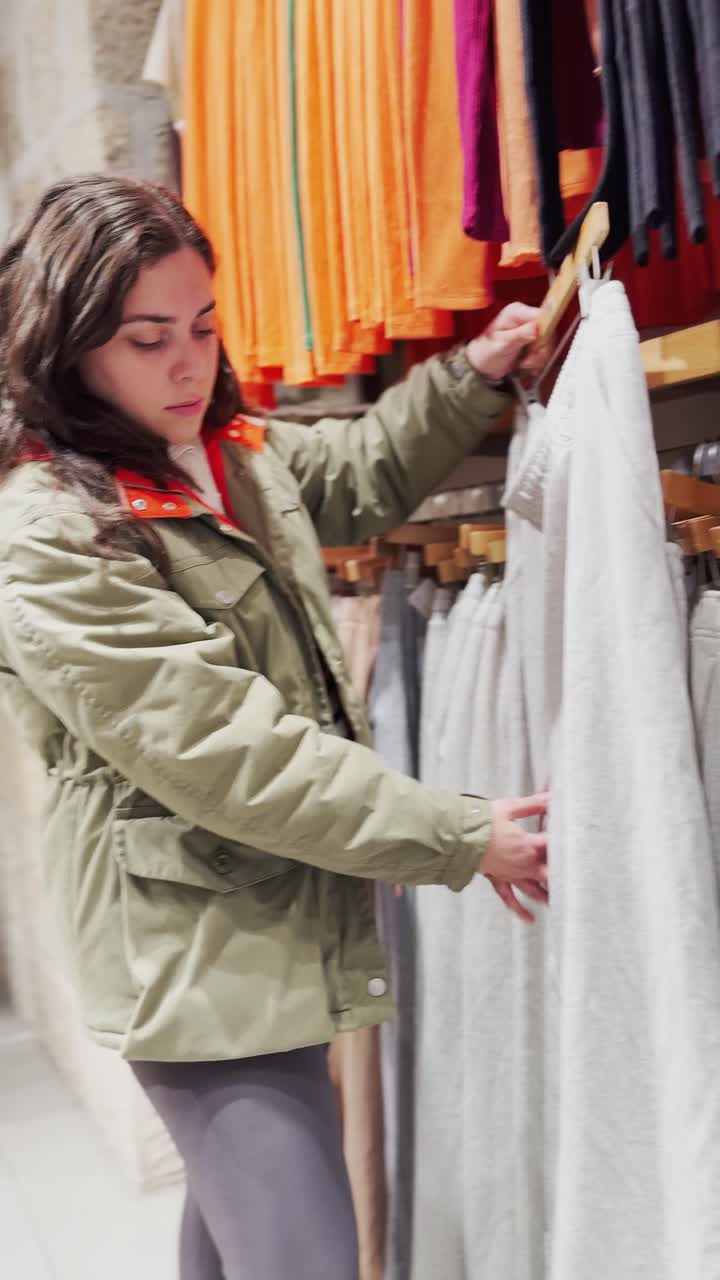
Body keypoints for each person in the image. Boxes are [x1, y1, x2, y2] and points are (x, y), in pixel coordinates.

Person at [0, 176, 548, 1280]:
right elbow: (225, 750)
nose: (188, 362)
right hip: (198, 957)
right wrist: (451, 832)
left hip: (266, 922)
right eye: (147, 338)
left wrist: (469, 374)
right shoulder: (50, 532)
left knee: (239, 1236)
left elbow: (349, 472)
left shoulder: (219, 451)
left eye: (203, 326)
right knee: (298, 1250)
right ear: (66, 346)